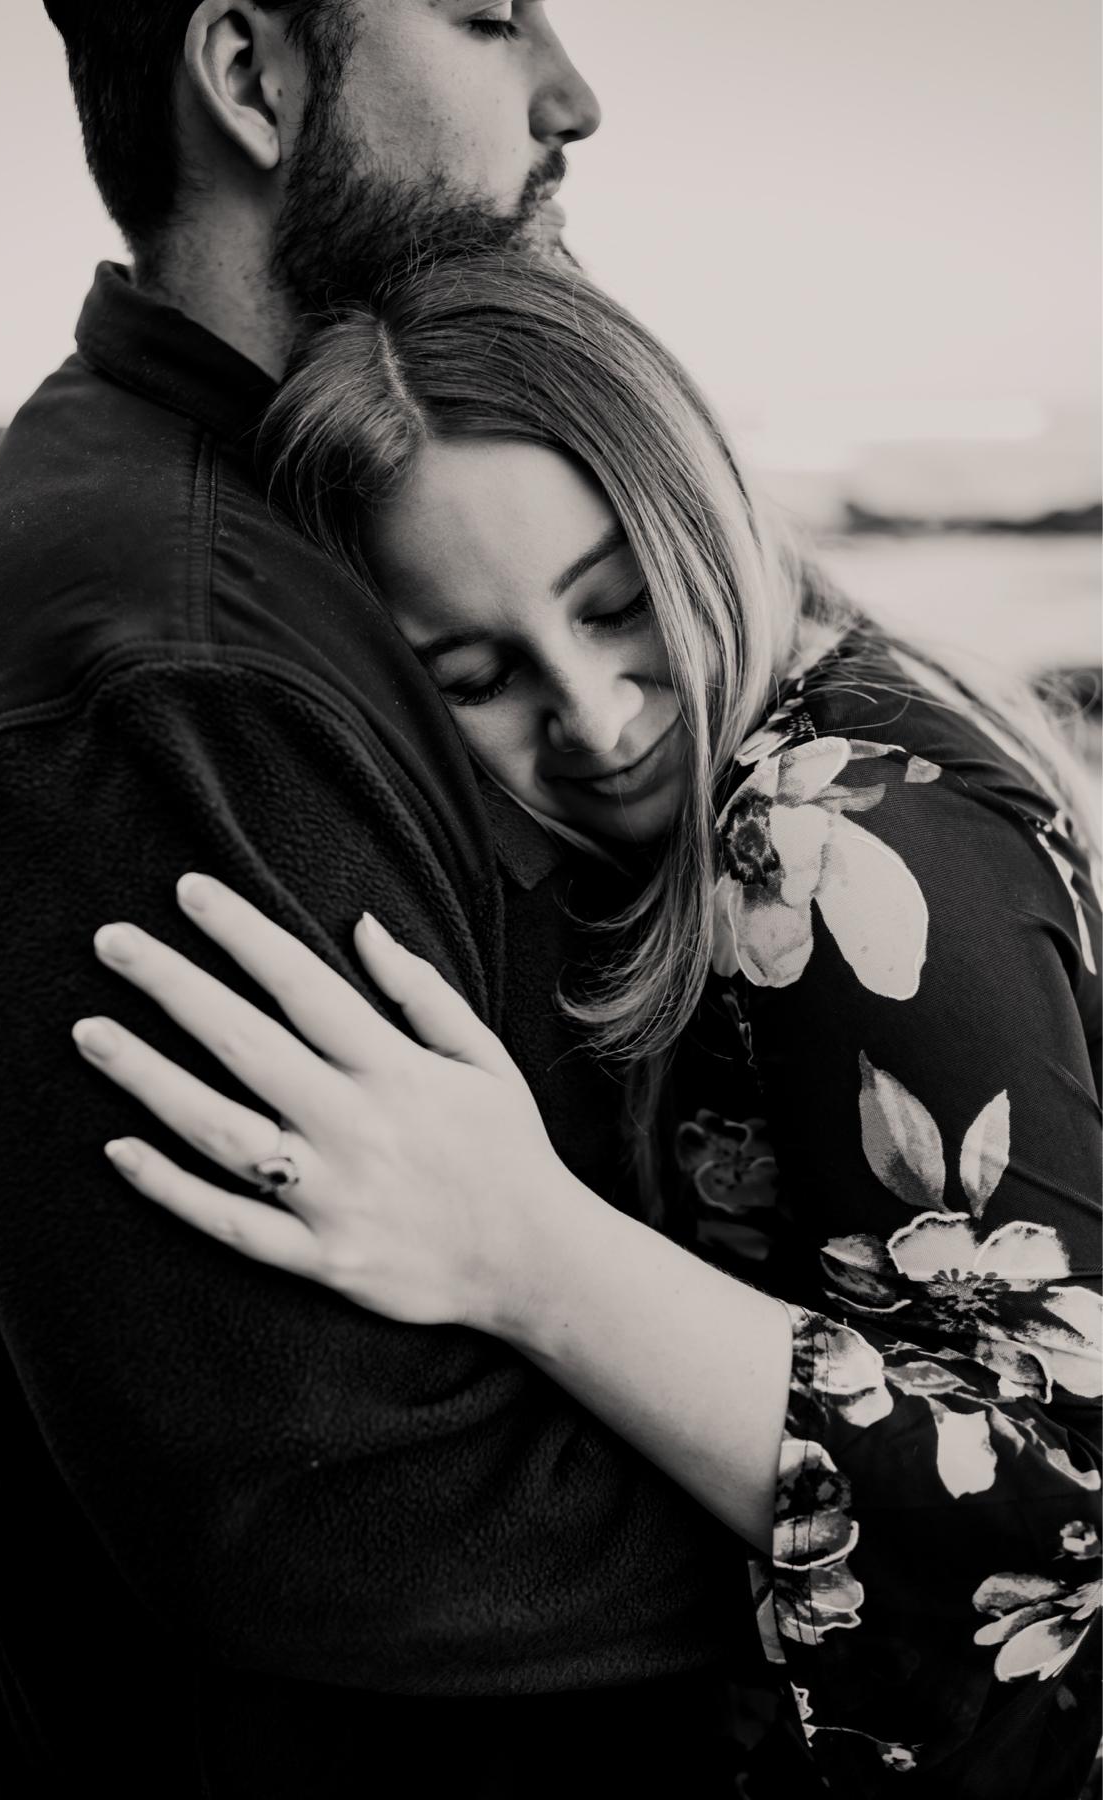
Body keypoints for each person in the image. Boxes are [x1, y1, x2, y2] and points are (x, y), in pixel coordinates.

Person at [0, 6, 819, 1798]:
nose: (570, 96)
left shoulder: (276, 533)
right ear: (250, 78)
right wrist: (945, 1528)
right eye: (484, 15)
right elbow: (347, 1506)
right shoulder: (175, 678)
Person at [72, 257, 1103, 1798]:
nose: (599, 720)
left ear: (700, 502)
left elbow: (1060, 1509)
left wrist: (526, 1251)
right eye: (472, 676)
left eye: (617, 604)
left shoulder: (825, 834)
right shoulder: (844, 718)